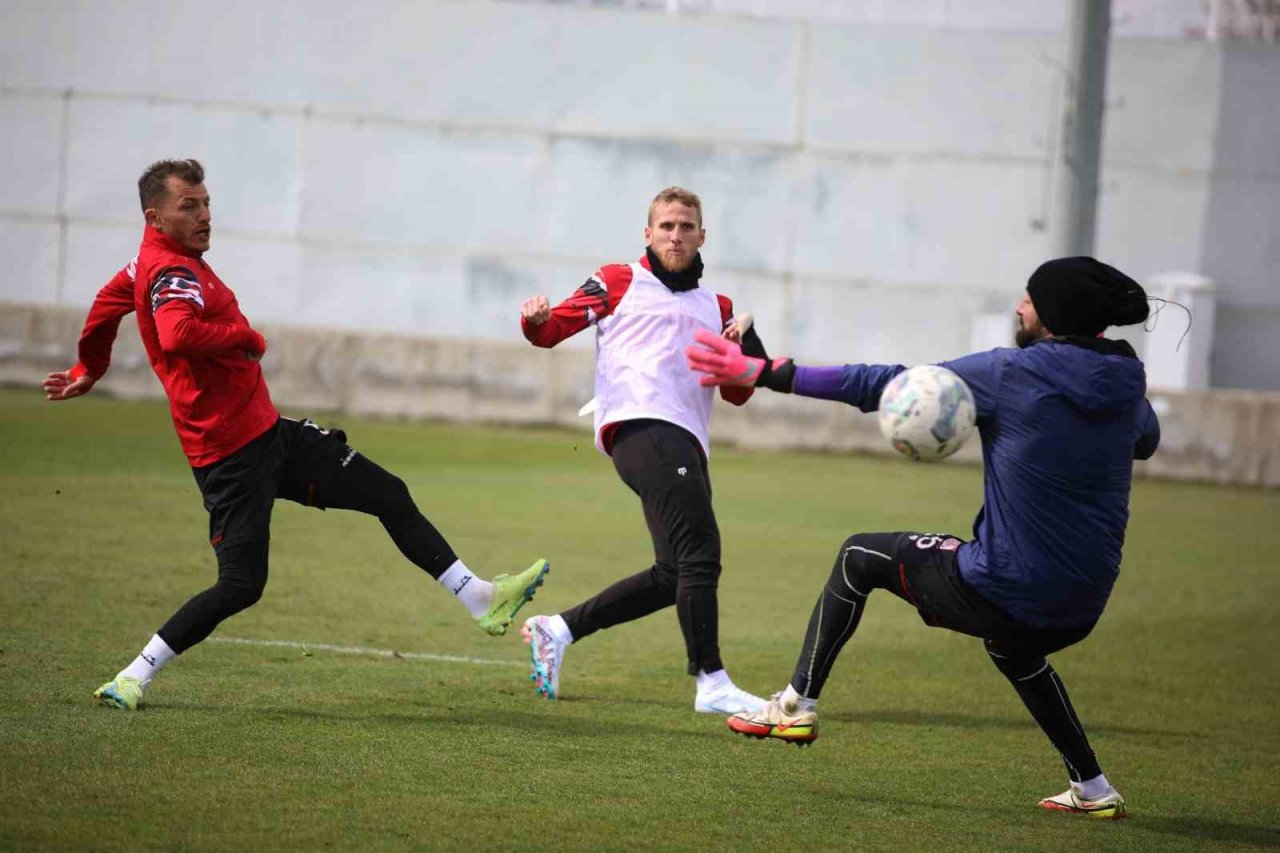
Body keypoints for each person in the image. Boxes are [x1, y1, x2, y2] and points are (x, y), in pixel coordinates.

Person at [44, 158, 549, 711]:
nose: (205, 215)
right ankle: (132, 675)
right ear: (155, 216)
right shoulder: (172, 274)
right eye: (189, 206)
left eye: (206, 202)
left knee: (388, 492)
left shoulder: (146, 263)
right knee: (241, 585)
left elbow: (104, 307)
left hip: (267, 435)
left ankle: (480, 598)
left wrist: (87, 368)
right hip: (230, 456)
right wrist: (244, 337)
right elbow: (178, 333)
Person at [687, 256, 1159, 819]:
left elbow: (888, 384)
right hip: (1084, 603)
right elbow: (1145, 441)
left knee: (860, 556)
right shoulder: (1127, 385)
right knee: (1017, 649)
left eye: (1029, 298)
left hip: (1006, 586)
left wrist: (769, 372)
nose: (1019, 306)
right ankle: (1093, 787)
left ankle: (793, 705)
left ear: (1053, 314)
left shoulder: (1010, 373)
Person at [515, 186, 766, 715]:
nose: (676, 235)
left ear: (702, 236)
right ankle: (712, 681)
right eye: (667, 226)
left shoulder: (716, 305)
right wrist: (535, 319)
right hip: (641, 427)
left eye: (686, 227)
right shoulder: (618, 280)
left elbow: (740, 391)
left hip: (687, 441)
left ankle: (557, 629)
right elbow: (552, 329)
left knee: (674, 572)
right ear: (648, 233)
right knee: (702, 550)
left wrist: (748, 333)